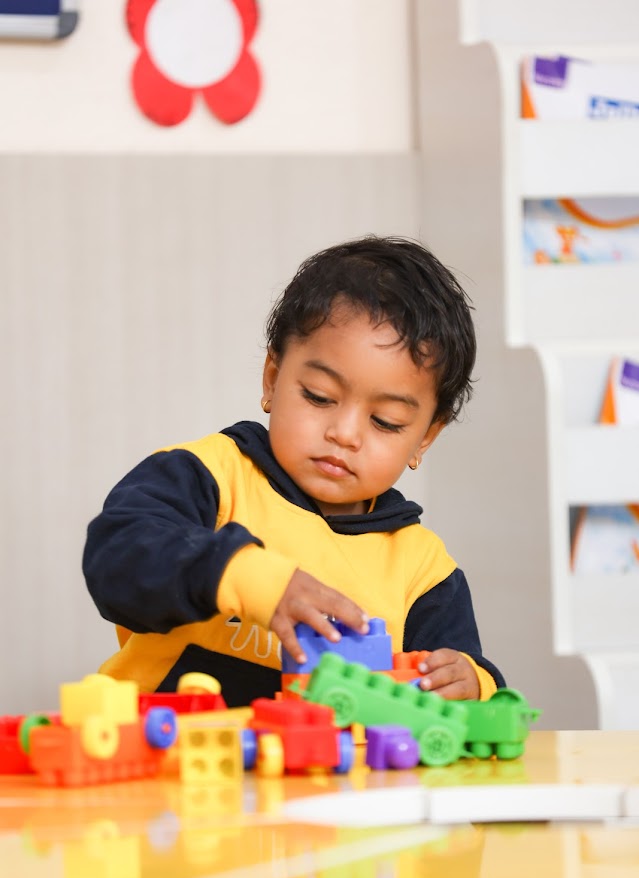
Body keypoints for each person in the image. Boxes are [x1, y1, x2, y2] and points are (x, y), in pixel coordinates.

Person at [83, 235, 505, 708]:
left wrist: (473, 682)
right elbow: (115, 557)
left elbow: (459, 686)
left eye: (386, 422)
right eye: (319, 396)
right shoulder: (210, 477)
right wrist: (250, 578)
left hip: (329, 780)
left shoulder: (422, 569)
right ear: (272, 377)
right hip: (165, 765)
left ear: (424, 437)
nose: (345, 434)